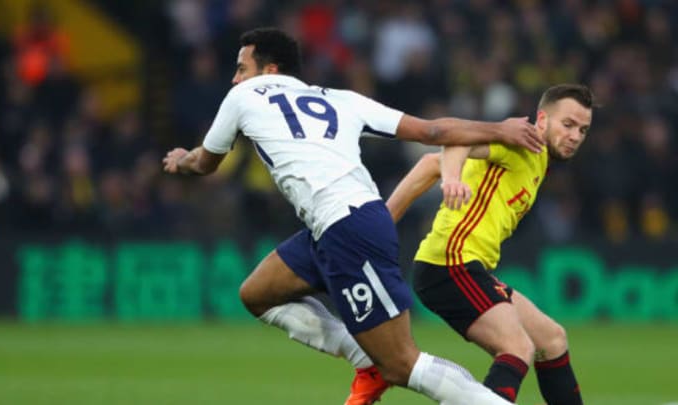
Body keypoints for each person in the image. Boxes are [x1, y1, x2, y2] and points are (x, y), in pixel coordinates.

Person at [163, 27, 544, 405]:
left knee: (402, 364)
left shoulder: (243, 95)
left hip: (349, 229)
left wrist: (182, 160)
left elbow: (206, 164)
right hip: (339, 224)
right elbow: (432, 130)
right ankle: (365, 357)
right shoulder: (341, 99)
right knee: (258, 295)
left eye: (241, 67)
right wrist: (498, 128)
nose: (235, 77)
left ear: (270, 71)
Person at [384, 84, 592, 404]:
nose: (576, 135)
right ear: (542, 119)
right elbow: (456, 140)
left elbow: (429, 163)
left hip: (464, 265)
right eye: (568, 124)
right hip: (451, 264)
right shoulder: (523, 142)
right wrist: (452, 179)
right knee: (517, 348)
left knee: (551, 339)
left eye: (583, 129)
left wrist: (384, 221)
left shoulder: (536, 162)